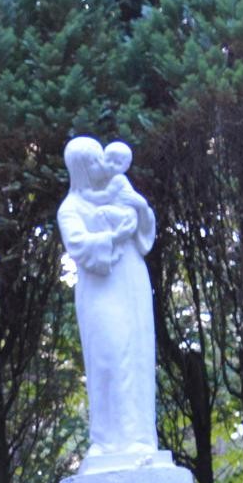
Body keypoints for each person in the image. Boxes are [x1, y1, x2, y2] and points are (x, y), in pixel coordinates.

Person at [57, 135, 160, 459]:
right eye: (96, 161)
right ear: (84, 169)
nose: (104, 165)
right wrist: (114, 235)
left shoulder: (120, 190)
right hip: (100, 291)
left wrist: (139, 210)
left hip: (131, 278)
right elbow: (81, 247)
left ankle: (140, 439)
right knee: (108, 358)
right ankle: (106, 441)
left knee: (137, 354)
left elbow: (145, 230)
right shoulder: (71, 207)